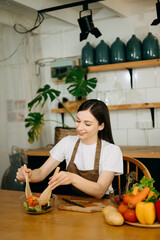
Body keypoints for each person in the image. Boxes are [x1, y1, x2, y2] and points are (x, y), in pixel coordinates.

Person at [16, 99, 123, 199]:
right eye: (78, 121)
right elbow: (40, 173)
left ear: (101, 126)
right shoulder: (67, 142)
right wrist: (28, 176)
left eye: (87, 124)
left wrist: (72, 178)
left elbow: (100, 191)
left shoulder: (111, 151)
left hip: (103, 205)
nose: (80, 127)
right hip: (75, 203)